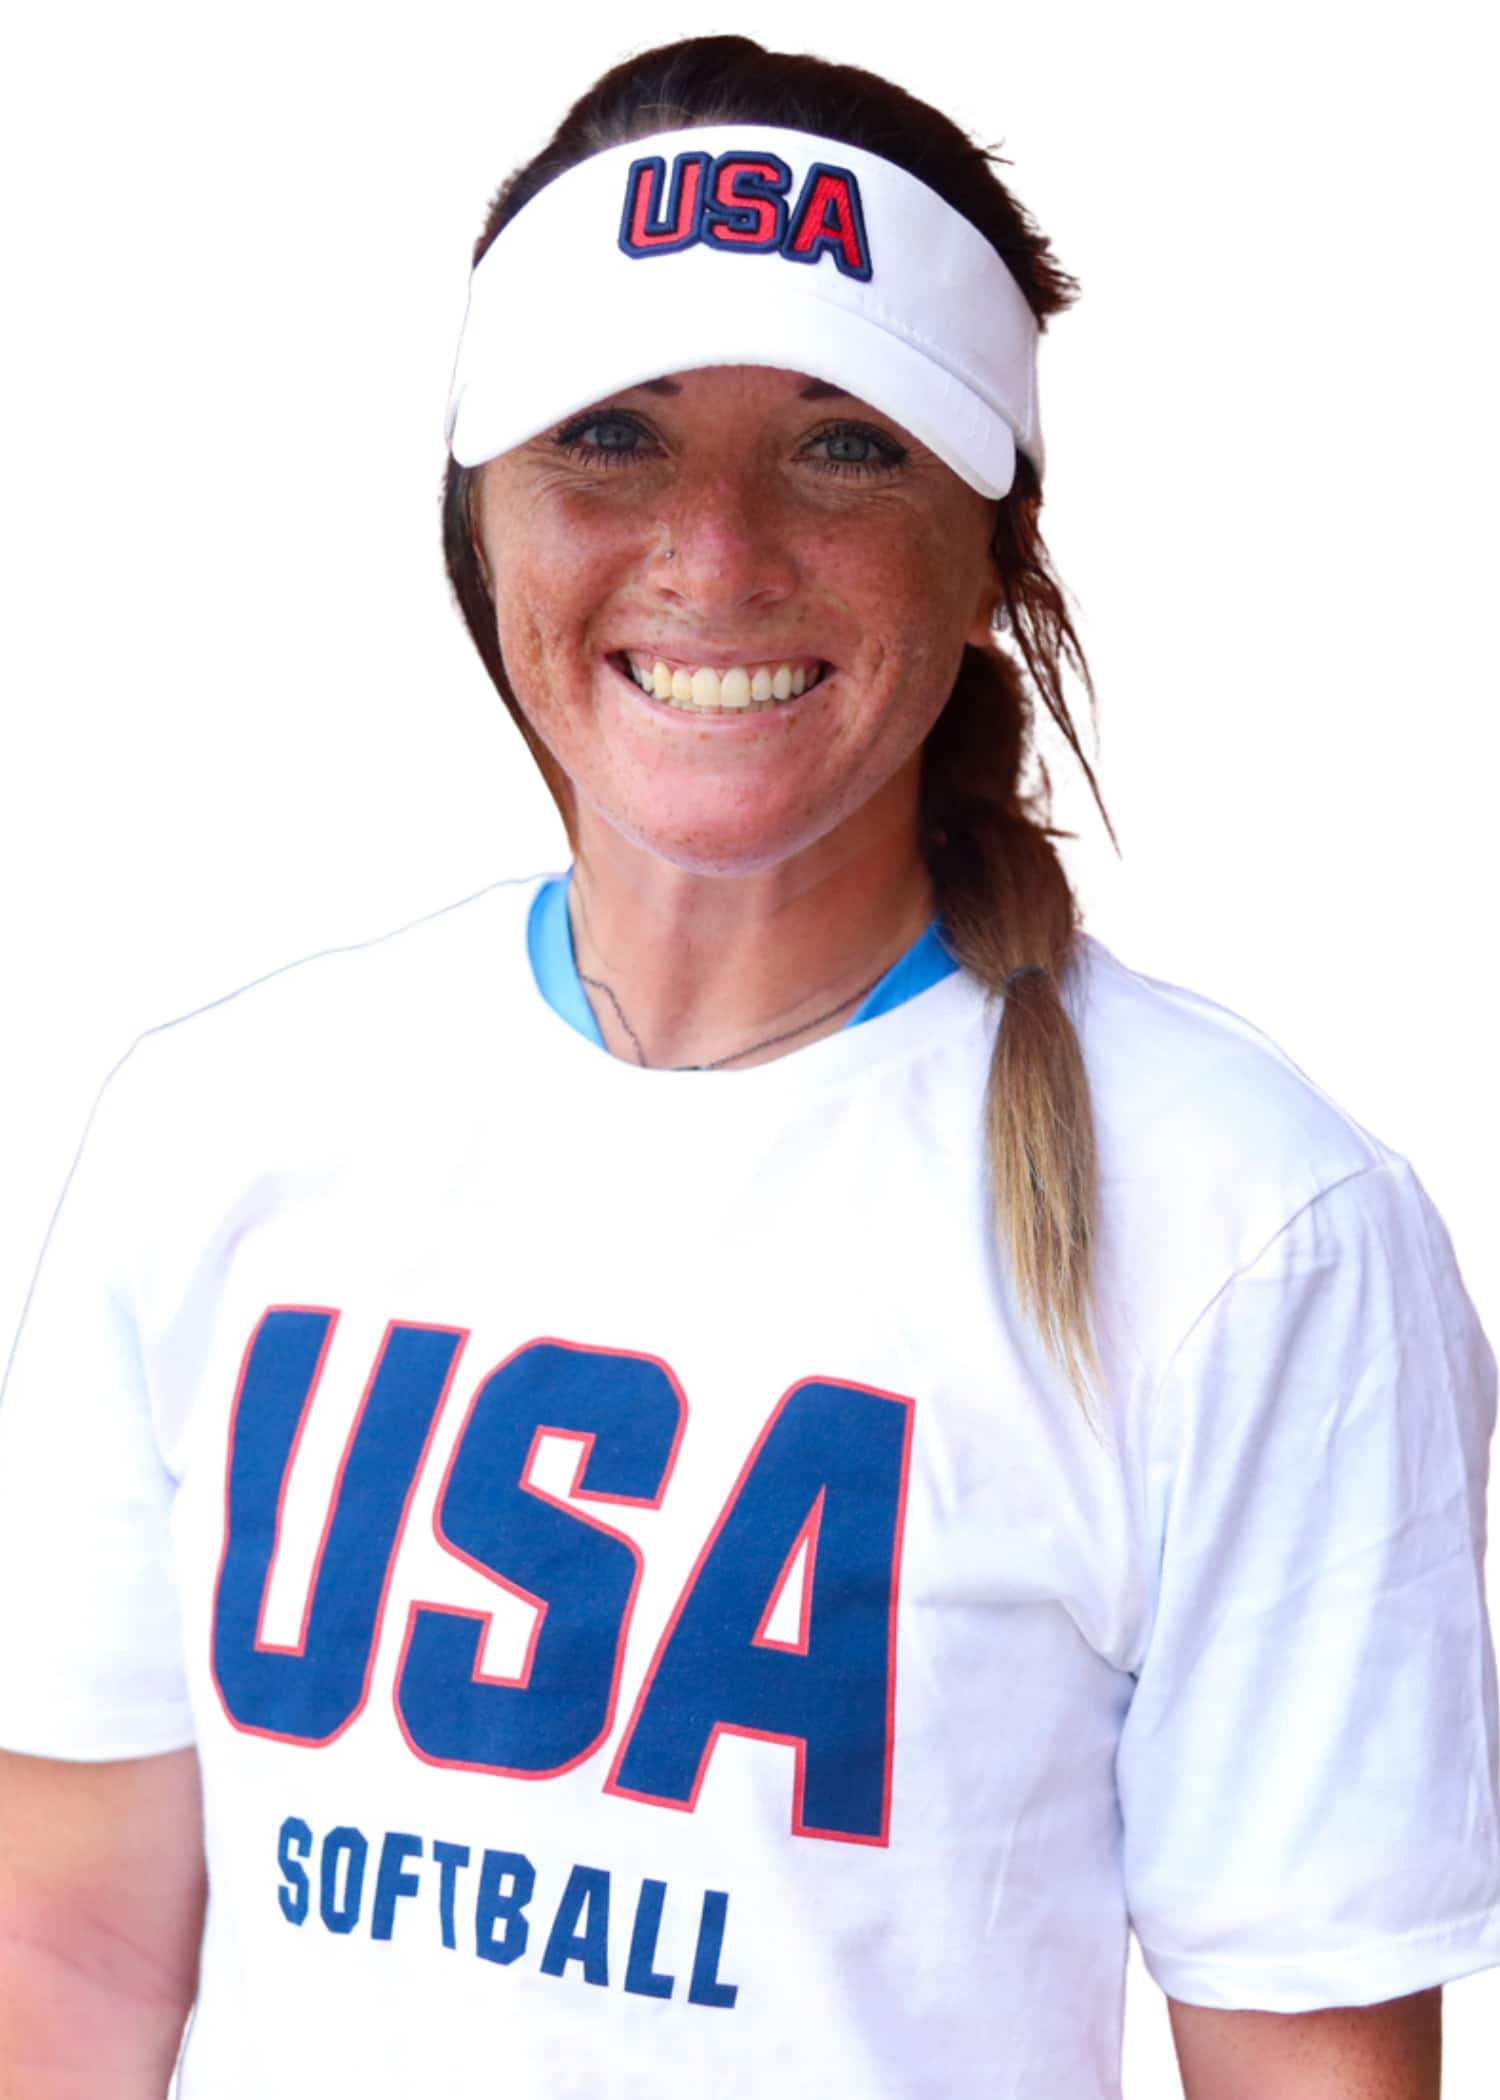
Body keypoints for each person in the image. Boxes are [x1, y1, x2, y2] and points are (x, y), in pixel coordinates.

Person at [0, 31, 1495, 2100]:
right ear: (482, 524)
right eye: (611, 436)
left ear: (993, 545)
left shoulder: (1255, 1233)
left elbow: (1306, 2067)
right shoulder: (215, 1130)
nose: (715, 555)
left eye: (844, 444)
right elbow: (72, 1948)